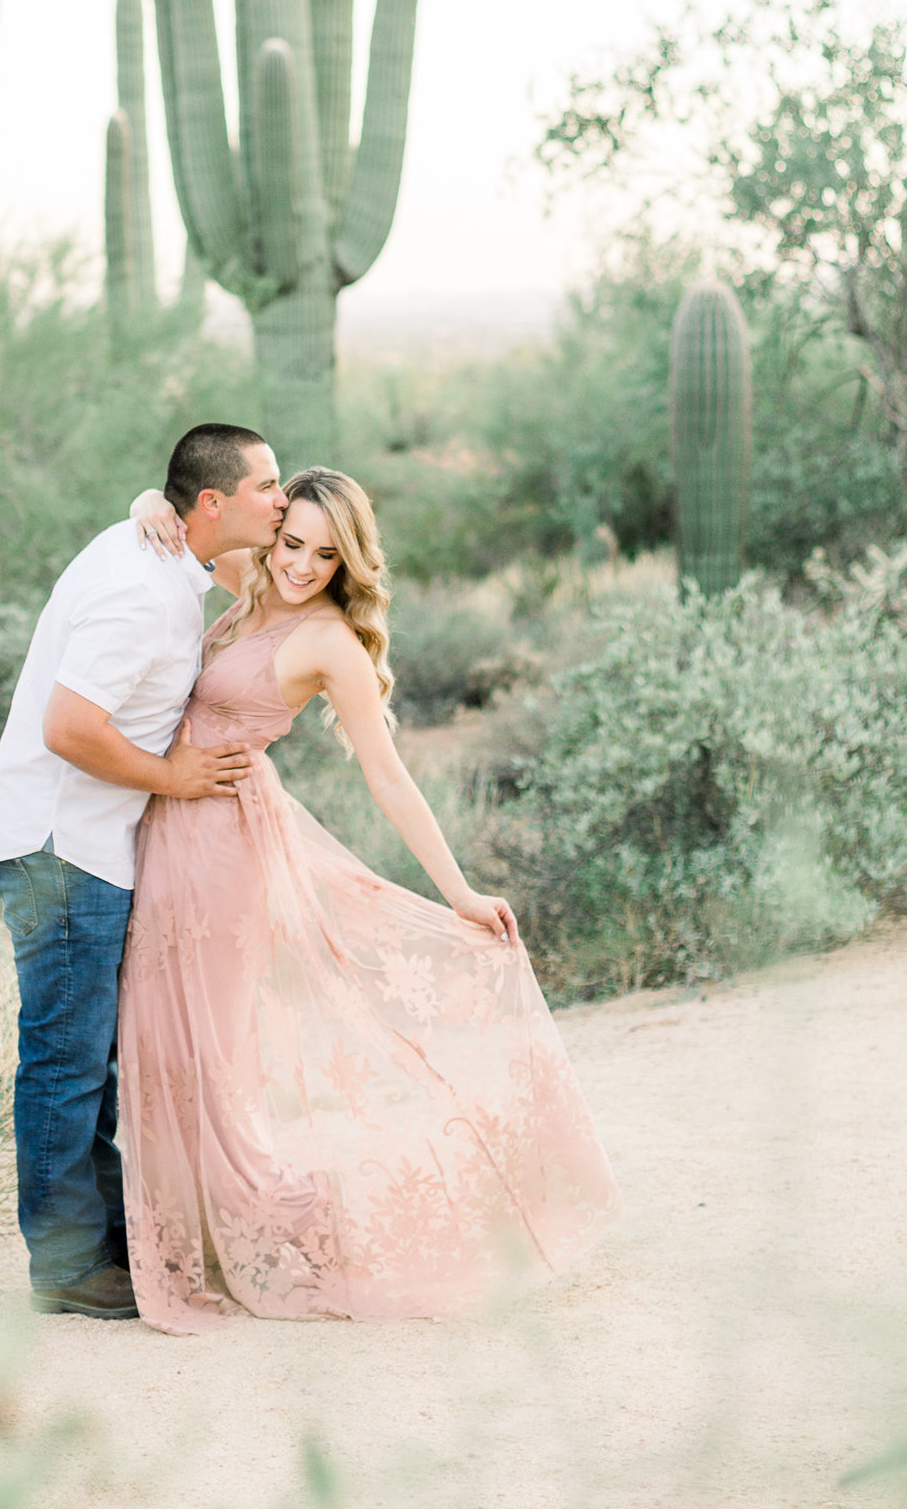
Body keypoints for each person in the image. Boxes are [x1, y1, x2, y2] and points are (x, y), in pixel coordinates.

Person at [117, 466, 620, 1335]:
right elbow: (189, 532)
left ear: (347, 562)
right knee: (164, 1039)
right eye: (292, 543)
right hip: (169, 825)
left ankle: (262, 1234)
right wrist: (146, 506)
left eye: (323, 554)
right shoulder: (249, 581)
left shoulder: (327, 643)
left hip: (224, 847)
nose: (302, 567)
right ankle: (202, 1228)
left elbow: (387, 775)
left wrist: (458, 889)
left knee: (213, 1050)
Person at [0, 423, 288, 1320]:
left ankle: (98, 1236)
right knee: (67, 1059)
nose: (283, 496)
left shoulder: (158, 551)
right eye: (267, 485)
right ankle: (66, 1264)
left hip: (90, 844)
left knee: (93, 1057)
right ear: (213, 502)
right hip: (59, 846)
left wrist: (151, 505)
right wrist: (173, 777)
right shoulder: (141, 590)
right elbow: (68, 727)